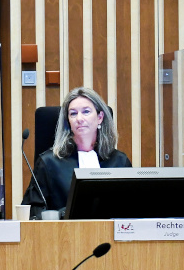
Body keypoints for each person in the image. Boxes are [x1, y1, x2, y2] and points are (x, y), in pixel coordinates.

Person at [22, 86, 132, 218]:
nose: (79, 118)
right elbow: (32, 215)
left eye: (86, 112)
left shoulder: (119, 162)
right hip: (64, 231)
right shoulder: (49, 163)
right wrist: (67, 212)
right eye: (73, 113)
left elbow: (134, 210)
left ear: (100, 117)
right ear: (68, 121)